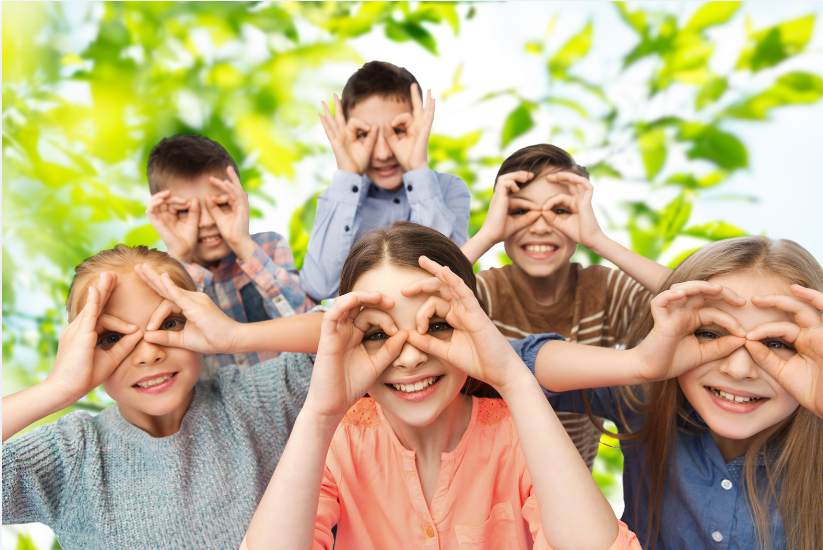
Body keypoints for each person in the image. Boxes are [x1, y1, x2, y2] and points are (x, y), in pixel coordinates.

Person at [241, 222, 642, 550]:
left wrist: (513, 377)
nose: (410, 357)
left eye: (436, 326)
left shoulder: (517, 435)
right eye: (378, 333)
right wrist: (319, 413)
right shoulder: (340, 442)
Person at [2, 245, 320, 549]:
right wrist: (56, 389)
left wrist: (237, 336)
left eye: (169, 323)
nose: (149, 354)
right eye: (112, 338)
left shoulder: (252, 401)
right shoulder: (73, 455)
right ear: (81, 349)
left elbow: (358, 332)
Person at [514, 236, 823, 550]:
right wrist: (637, 364)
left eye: (776, 343)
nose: (739, 369)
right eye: (709, 333)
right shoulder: (646, 397)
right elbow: (503, 365)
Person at [461, 143, 672, 469]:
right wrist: (486, 235)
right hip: (489, 480)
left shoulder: (604, 290)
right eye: (520, 211)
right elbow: (413, 301)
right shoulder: (485, 292)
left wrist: (598, 240)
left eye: (559, 210)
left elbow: (700, 298)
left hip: (572, 484)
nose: (541, 225)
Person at [300, 61, 471, 302]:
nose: (382, 153)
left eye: (398, 130)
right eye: (363, 134)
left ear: (420, 125)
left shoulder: (450, 189)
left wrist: (417, 168)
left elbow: (444, 280)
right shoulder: (341, 198)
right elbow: (319, 287)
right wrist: (348, 172)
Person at [146, 134, 314, 377]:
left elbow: (312, 325)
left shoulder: (269, 246)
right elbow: (164, 352)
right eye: (184, 211)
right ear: (161, 215)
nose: (206, 222)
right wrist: (179, 258)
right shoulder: (158, 278)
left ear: (240, 200)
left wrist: (242, 244)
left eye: (222, 205)